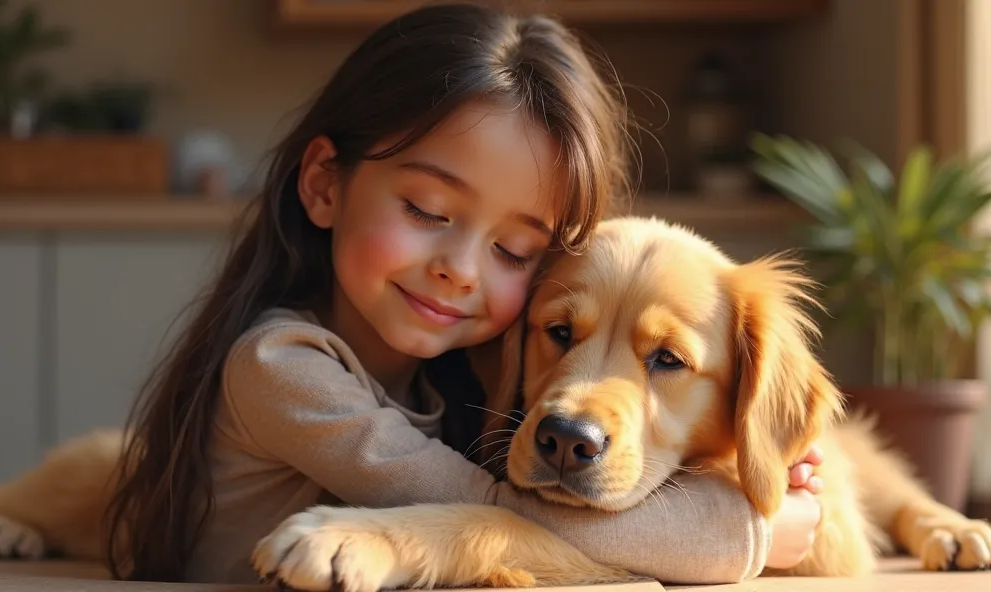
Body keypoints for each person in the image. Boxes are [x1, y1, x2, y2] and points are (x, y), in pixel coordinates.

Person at [104, 2, 824, 586]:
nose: (463, 271)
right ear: (325, 183)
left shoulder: (464, 380)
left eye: (515, 250)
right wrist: (753, 530)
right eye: (426, 211)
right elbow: (494, 512)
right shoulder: (280, 369)